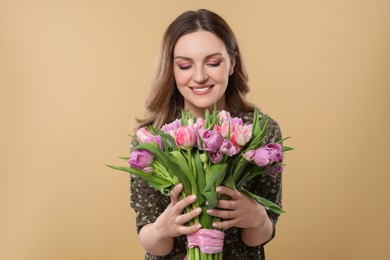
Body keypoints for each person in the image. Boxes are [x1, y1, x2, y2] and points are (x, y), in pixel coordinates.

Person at [130, 9, 283, 260]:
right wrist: (161, 228)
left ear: (232, 63)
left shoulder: (258, 131)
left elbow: (257, 238)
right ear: (171, 69)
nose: (200, 76)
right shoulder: (152, 137)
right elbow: (151, 240)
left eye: (213, 63)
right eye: (185, 65)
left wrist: (256, 217)